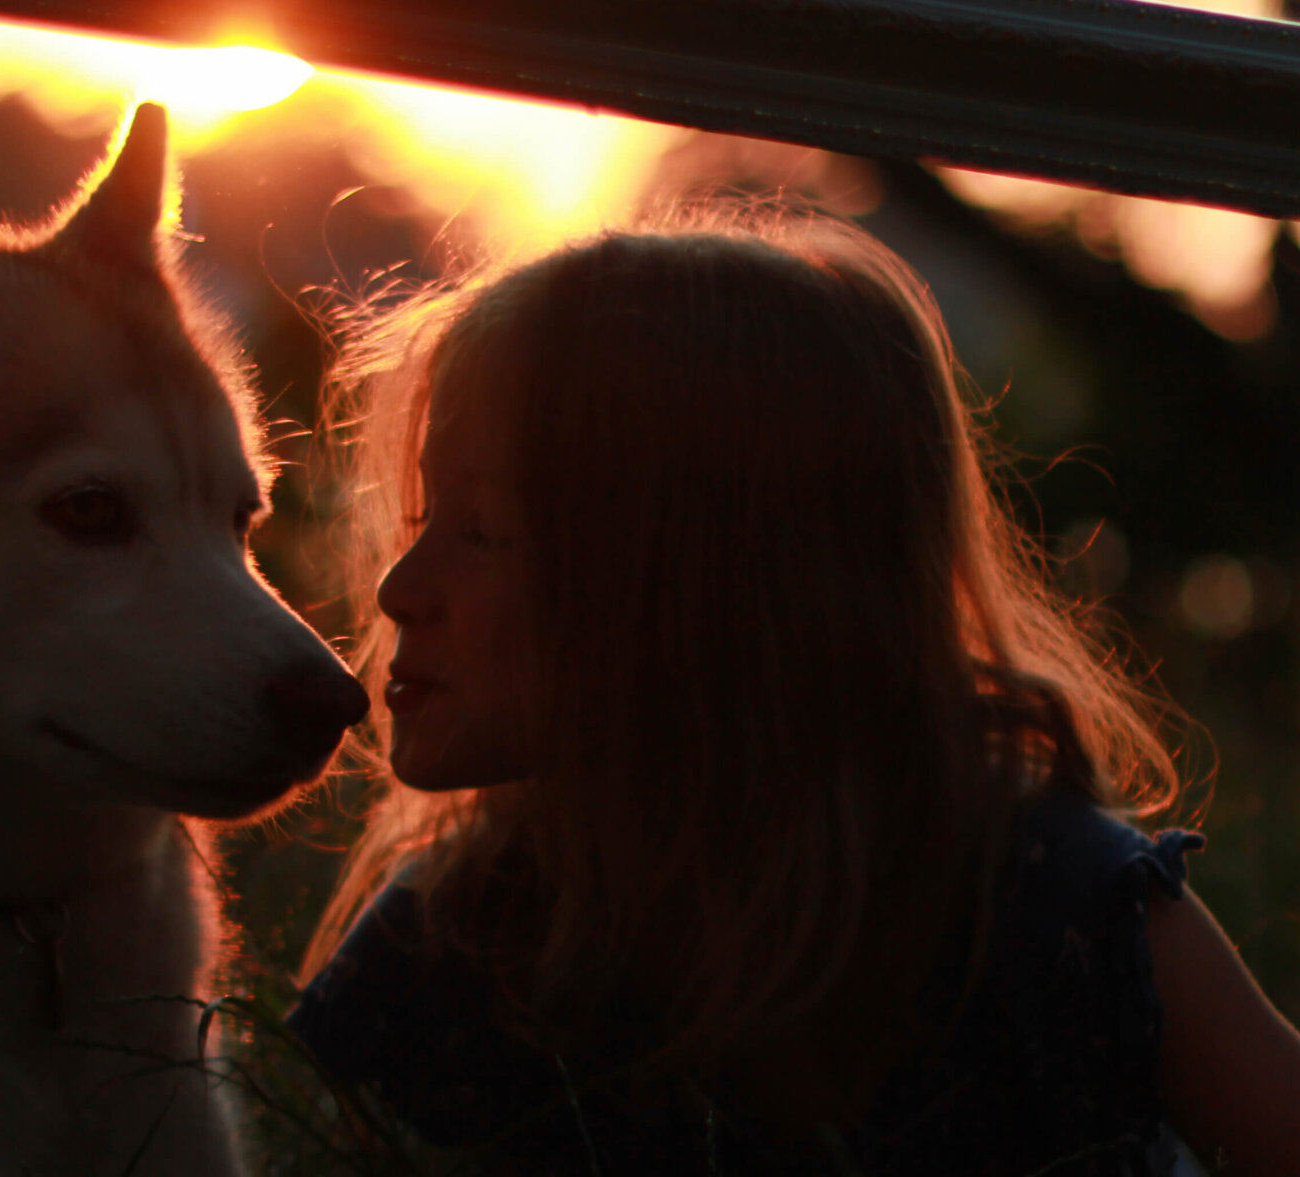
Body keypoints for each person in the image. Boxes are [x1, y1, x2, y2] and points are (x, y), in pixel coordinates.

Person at [287, 214, 1300, 1174]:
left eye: (480, 531)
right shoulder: (462, 935)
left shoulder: (1048, 896)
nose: (395, 587)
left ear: (700, 584)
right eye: (422, 513)